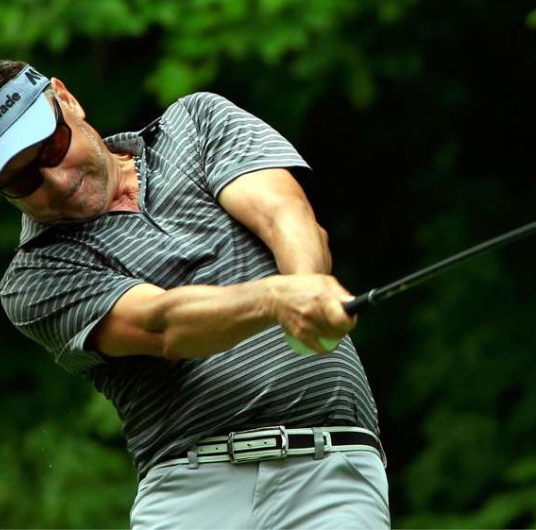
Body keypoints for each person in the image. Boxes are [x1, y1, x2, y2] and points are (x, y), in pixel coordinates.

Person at [0, 60, 389, 529]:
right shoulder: (34, 274)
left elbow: (281, 213)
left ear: (66, 98)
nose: (57, 180)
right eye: (23, 180)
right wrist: (277, 301)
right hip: (192, 493)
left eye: (53, 147)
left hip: (330, 473)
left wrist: (307, 292)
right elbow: (162, 325)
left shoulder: (196, 123)